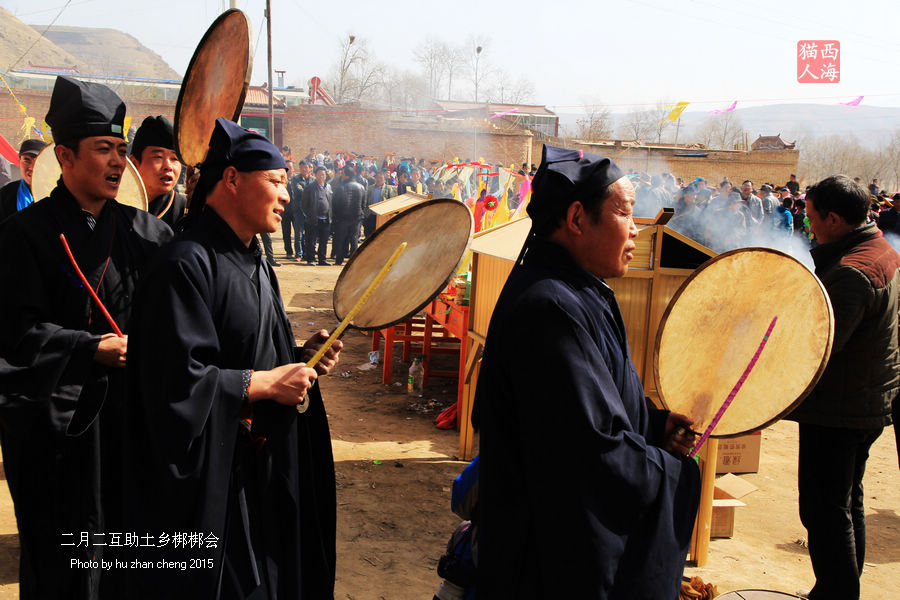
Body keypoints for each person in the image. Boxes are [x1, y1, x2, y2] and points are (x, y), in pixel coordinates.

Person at [122, 118, 342, 599]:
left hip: (259, 470)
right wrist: (261, 385)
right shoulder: (185, 264)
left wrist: (301, 359)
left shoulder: (257, 259)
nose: (288, 196)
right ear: (232, 179)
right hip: (211, 484)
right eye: (277, 182)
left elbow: (258, 350)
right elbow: (175, 383)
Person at [471, 145, 700, 600]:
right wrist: (674, 471)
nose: (637, 230)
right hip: (546, 560)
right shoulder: (549, 308)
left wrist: (653, 426)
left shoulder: (579, 292)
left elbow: (589, 407)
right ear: (577, 219)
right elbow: (589, 453)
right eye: (625, 214)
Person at [0, 75, 173, 599]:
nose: (118, 162)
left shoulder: (150, 236)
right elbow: (13, 334)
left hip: (131, 427)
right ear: (65, 156)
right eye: (104, 149)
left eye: (122, 150)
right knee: (64, 567)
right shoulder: (22, 236)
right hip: (58, 430)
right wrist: (85, 346)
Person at [788, 175, 900, 600]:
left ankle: (836, 593)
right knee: (847, 501)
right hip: (867, 399)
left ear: (835, 219)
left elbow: (820, 347)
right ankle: (839, 589)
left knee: (824, 509)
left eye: (813, 217)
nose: (809, 225)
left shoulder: (852, 272)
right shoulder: (881, 250)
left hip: (841, 407)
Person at [129, 115, 187, 229]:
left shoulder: (183, 211)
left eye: (175, 158)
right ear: (134, 164)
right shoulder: (117, 204)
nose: (168, 166)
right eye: (158, 157)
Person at [0, 138, 47, 221]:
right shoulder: (5, 195)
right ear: (19, 161)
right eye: (27, 160)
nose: (32, 167)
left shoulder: (56, 194)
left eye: (38, 161)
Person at [332, 165, 365, 265]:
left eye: (342, 173)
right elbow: (363, 203)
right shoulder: (361, 187)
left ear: (346, 175)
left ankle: (339, 260)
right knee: (354, 239)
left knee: (341, 239)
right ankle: (353, 261)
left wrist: (336, 216)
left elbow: (335, 203)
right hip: (357, 217)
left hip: (342, 218)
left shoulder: (340, 187)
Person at [301, 165, 333, 265]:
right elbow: (304, 205)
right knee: (311, 240)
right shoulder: (309, 188)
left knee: (324, 241)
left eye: (323, 175)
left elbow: (330, 202)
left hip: (326, 219)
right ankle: (311, 259)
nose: (321, 177)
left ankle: (322, 259)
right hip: (313, 219)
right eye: (319, 175)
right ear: (315, 175)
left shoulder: (328, 187)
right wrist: (310, 214)